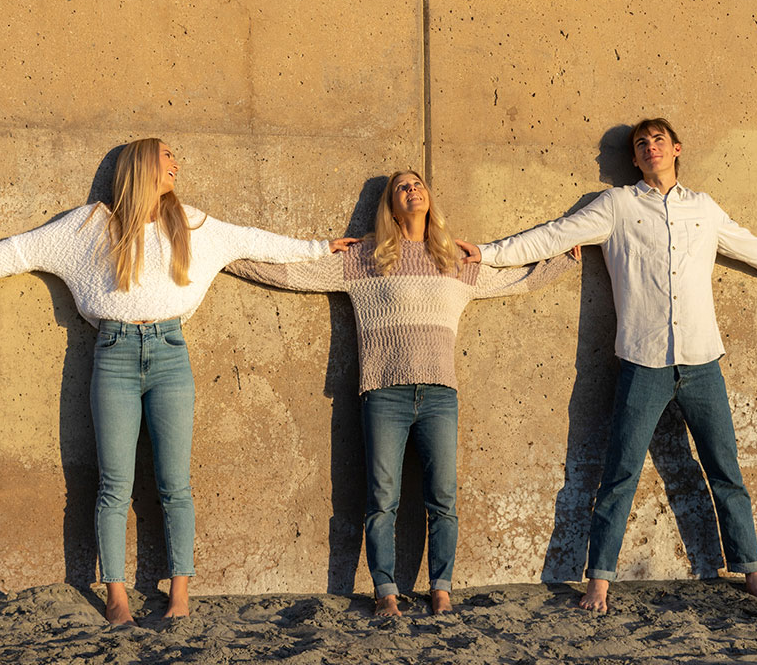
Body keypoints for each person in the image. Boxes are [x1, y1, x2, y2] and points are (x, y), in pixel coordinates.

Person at [0, 138, 352, 625]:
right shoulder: (89, 226)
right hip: (114, 356)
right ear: (142, 164)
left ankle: (179, 595)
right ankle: (117, 598)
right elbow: (20, 249)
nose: (176, 164)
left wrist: (318, 248)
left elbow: (253, 240)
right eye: (167, 156)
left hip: (170, 356)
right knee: (113, 485)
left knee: (175, 485)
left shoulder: (190, 224)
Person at [468, 118, 757, 610]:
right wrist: (484, 254)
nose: (650, 148)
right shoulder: (616, 206)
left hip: (701, 361)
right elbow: (551, 236)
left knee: (725, 472)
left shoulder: (703, 208)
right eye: (640, 144)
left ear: (676, 148)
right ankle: (599, 581)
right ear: (633, 159)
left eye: (657, 141)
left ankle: (753, 575)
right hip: (642, 361)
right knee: (619, 474)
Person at [226, 170, 579, 616]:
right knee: (381, 499)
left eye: (419, 185)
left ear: (430, 199)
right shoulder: (365, 258)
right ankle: (386, 591)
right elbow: (293, 274)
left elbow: (515, 280)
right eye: (402, 187)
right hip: (383, 394)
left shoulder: (455, 261)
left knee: (443, 499)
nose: (413, 190)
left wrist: (563, 259)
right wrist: (227, 256)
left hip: (439, 394)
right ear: (390, 205)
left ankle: (442, 589)